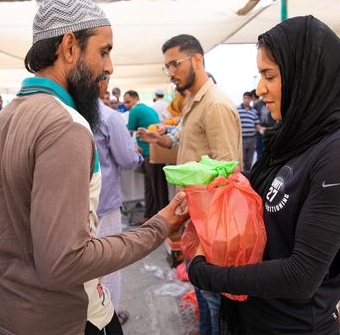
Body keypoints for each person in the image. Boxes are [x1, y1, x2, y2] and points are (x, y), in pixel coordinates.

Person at [0, 0, 188, 335]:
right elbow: (64, 262)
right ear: (69, 47)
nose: (109, 67)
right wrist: (159, 227)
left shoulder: (5, 117)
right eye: (104, 51)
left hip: (6, 312)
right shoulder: (65, 126)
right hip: (66, 321)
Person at [187, 16, 340, 334]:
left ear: (306, 77)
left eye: (269, 75)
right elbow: (274, 196)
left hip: (293, 325)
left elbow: (302, 275)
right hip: (256, 316)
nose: (260, 90)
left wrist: (206, 272)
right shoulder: (292, 139)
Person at [138, 34, 242, 335]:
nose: (170, 72)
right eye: (166, 66)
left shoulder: (215, 106)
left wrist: (204, 225)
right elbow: (187, 144)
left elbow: (228, 171)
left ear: (197, 60)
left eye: (175, 64)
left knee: (213, 297)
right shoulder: (193, 102)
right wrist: (162, 140)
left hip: (211, 220)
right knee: (201, 286)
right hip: (196, 216)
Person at [94, 76, 144, 325]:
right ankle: (109, 315)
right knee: (110, 261)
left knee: (85, 266)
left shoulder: (65, 112)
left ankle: (91, 315)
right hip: (105, 202)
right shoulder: (107, 117)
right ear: (102, 86)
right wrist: (137, 156)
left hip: (76, 206)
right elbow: (125, 159)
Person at [125, 90, 169, 224]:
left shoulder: (134, 111)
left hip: (150, 152)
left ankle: (163, 218)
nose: (126, 105)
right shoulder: (149, 109)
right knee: (152, 185)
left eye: (128, 101)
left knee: (156, 186)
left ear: (136, 99)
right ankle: (150, 215)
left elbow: (128, 132)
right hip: (154, 151)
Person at [237, 91, 263, 171]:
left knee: (249, 161)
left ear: (251, 99)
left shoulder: (254, 112)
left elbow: (256, 124)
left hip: (252, 139)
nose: (247, 100)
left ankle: (248, 177)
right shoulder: (237, 109)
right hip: (241, 139)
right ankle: (241, 178)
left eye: (248, 98)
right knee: (241, 160)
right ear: (243, 98)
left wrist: (261, 129)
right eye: (245, 98)